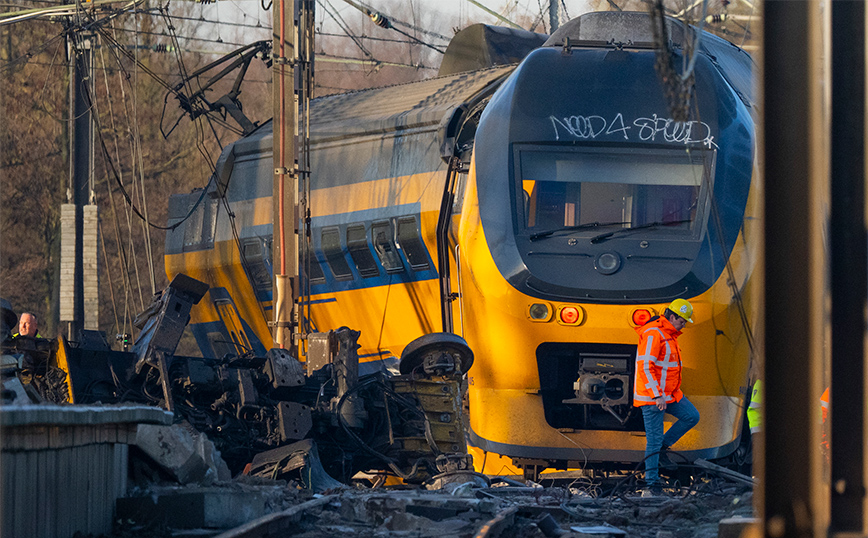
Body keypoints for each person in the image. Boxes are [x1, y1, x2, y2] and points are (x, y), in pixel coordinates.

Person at [633, 298, 700, 493]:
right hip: (653, 398)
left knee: (691, 416)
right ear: (672, 316)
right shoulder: (654, 334)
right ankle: (651, 482)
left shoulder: (668, 334)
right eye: (682, 321)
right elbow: (645, 366)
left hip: (669, 395)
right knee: (652, 440)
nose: (684, 325)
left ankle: (663, 449)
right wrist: (656, 395)